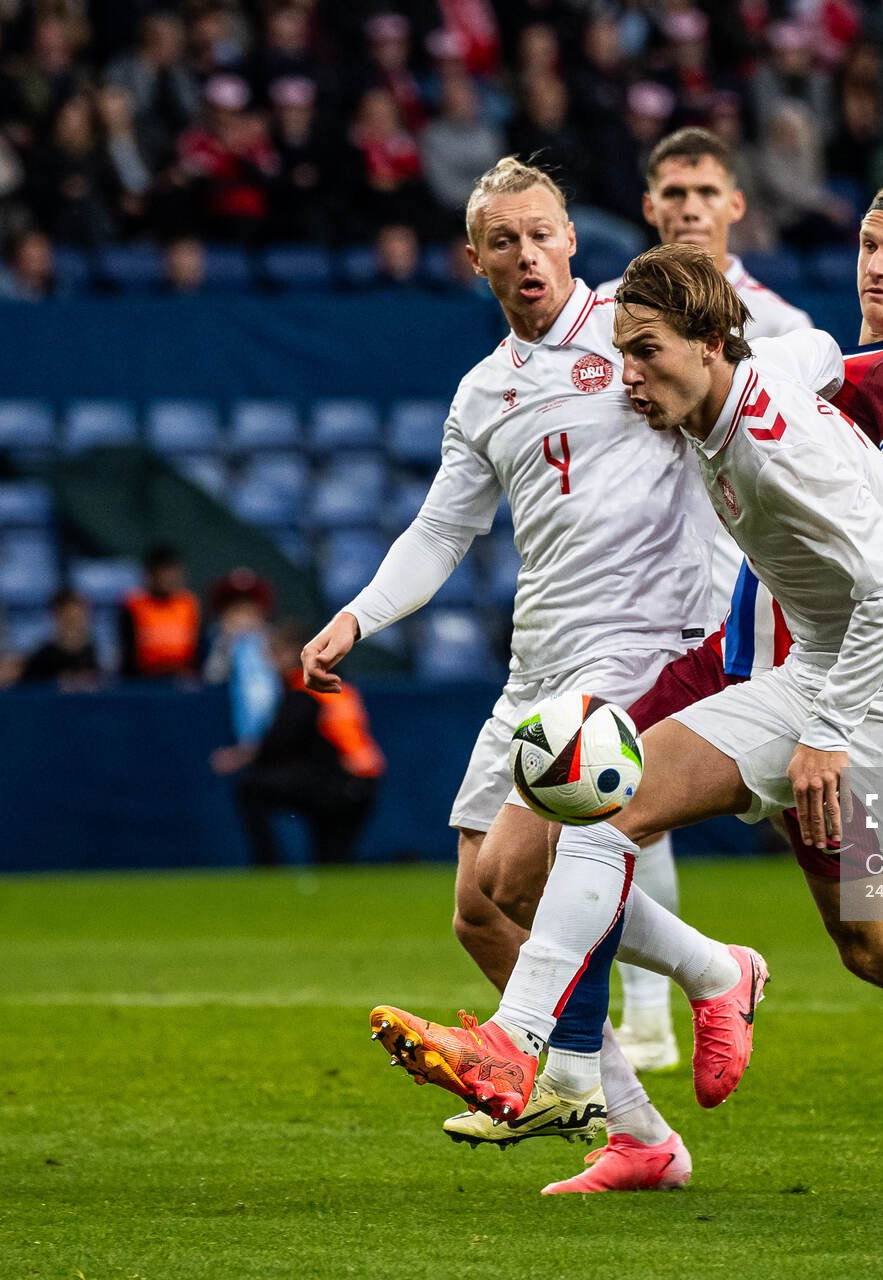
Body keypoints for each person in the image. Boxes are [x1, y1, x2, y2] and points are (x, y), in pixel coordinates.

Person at [364, 243, 883, 1218]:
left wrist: (829, 730)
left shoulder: (769, 440)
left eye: (645, 352)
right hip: (824, 666)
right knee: (608, 798)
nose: (628, 375)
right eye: (623, 352)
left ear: (709, 342)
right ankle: (520, 1048)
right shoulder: (710, 410)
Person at [461, 178, 883, 1197]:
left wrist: (806, 461)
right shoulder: (775, 348)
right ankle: (578, 1073)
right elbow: (786, 374)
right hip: (735, 666)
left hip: (830, 691)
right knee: (545, 843)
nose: (877, 266)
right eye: (667, 194)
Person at [300, 157, 721, 1174]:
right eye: (504, 240)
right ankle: (641, 1136)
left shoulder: (636, 325)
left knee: (515, 868)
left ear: (572, 237)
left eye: (542, 233)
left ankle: (698, 980)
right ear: (475, 259)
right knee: (478, 910)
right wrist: (356, 616)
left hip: (637, 643)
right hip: (538, 659)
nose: (526, 254)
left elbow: (740, 382)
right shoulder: (485, 388)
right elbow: (442, 532)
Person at [593, 125, 814, 1074]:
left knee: (834, 805)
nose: (688, 207)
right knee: (622, 785)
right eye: (671, 193)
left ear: (735, 206)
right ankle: (646, 1011)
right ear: (649, 206)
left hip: (755, 600)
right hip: (640, 591)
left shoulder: (792, 333)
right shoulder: (605, 320)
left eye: (704, 192)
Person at [212, 623, 385, 866]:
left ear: (296, 653)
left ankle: (268, 866)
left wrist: (242, 756)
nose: (268, 659)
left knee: (251, 788)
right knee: (333, 862)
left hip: (339, 782)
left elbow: (281, 742)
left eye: (275, 652)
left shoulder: (303, 689)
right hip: (365, 782)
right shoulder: (340, 684)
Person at [121, 545, 202, 680]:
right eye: (163, 571)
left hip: (182, 682)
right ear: (151, 573)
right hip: (145, 681)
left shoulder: (190, 605)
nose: (168, 577)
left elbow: (198, 651)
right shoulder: (134, 606)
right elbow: (128, 656)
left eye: (172, 571)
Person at [19, 587, 105, 689]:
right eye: (68, 620)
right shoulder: (41, 660)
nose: (74, 626)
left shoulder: (99, 656)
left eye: (78, 619)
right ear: (56, 618)